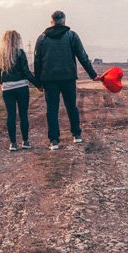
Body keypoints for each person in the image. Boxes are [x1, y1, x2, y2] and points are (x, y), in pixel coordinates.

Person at [34, 10, 100, 150]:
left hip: (49, 79)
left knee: (52, 109)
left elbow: (37, 62)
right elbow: (83, 56)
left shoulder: (42, 38)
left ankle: (54, 141)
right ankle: (76, 135)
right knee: (71, 106)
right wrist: (93, 75)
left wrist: (38, 83)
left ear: (51, 22)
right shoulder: (72, 36)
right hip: (68, 77)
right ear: (64, 22)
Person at [0, 30, 40, 151]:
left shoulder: (0, 56)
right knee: (23, 114)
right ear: (17, 40)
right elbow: (26, 73)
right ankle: (25, 142)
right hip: (22, 88)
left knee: (11, 115)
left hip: (7, 89)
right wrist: (38, 85)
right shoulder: (20, 53)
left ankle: (13, 144)